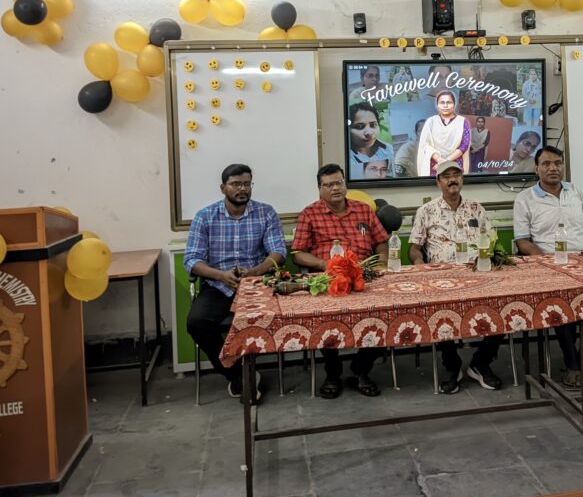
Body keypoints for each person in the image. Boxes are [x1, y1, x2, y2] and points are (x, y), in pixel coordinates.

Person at [514, 146, 583, 388]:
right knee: (561, 304)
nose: (553, 168)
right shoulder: (525, 198)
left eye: (558, 163)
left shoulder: (576, 191)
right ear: (536, 168)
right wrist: (545, 260)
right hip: (549, 265)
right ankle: (572, 365)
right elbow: (522, 241)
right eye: (546, 164)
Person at [184, 164, 286, 400]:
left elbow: (279, 251)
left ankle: (245, 379)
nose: (242, 189)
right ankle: (239, 374)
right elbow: (192, 259)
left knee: (281, 315)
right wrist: (221, 275)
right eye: (236, 184)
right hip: (219, 285)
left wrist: (255, 272)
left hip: (257, 285)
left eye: (247, 184)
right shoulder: (205, 216)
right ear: (223, 188)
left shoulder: (266, 212)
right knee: (196, 323)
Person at [291, 164, 390, 398]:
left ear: (345, 184)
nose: (334, 188)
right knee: (325, 319)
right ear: (319, 189)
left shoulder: (364, 210)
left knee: (389, 313)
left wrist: (381, 263)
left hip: (365, 276)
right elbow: (297, 254)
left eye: (338, 183)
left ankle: (360, 369)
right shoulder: (309, 214)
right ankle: (333, 372)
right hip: (329, 279)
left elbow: (381, 242)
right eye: (328, 185)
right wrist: (324, 265)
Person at [409, 161, 503, 393]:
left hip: (478, 274)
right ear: (438, 182)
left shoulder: (476, 208)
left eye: (456, 175)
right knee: (440, 310)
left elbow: (491, 241)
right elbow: (414, 249)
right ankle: (452, 365)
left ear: (462, 178)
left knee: (503, 303)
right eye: (446, 176)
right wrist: (420, 265)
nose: (452, 179)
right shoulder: (426, 211)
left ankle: (481, 362)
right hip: (441, 278)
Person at [417, 91, 471, 176]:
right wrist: (439, 159)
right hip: (434, 166)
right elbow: (425, 145)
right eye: (442, 102)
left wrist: (445, 161)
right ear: (437, 105)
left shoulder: (462, 122)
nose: (445, 105)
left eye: (449, 102)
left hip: (455, 165)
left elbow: (464, 145)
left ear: (454, 104)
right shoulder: (431, 122)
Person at [348, 102, 393, 179]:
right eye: (359, 126)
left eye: (373, 125)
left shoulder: (388, 149)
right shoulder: (348, 158)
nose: (369, 133)